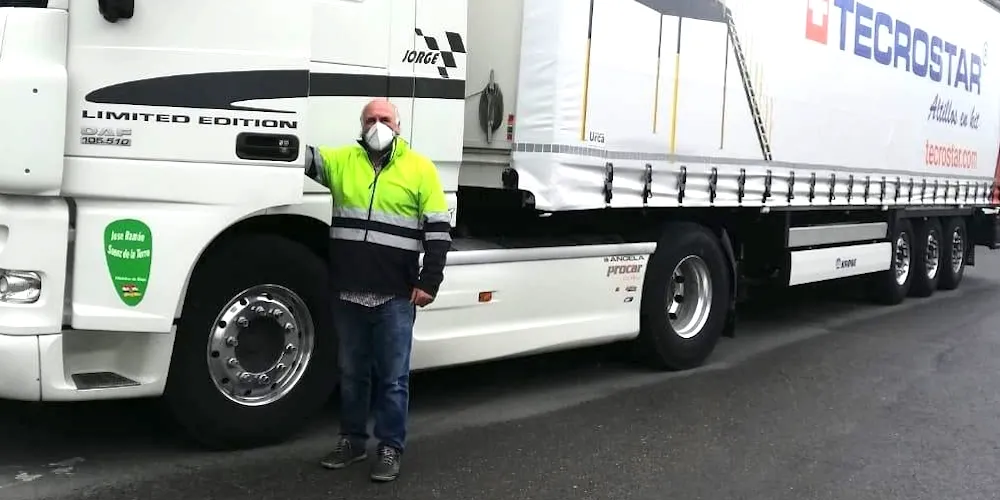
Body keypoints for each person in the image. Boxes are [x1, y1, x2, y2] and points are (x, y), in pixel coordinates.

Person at [304, 98, 452, 482]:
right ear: (360, 125)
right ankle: (352, 442)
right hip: (348, 292)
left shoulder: (419, 168)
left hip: (395, 296)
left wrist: (429, 281)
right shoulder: (341, 161)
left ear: (398, 126)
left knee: (393, 378)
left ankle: (390, 448)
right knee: (352, 374)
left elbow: (438, 230)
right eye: (370, 119)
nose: (377, 125)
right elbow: (298, 157)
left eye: (384, 118)